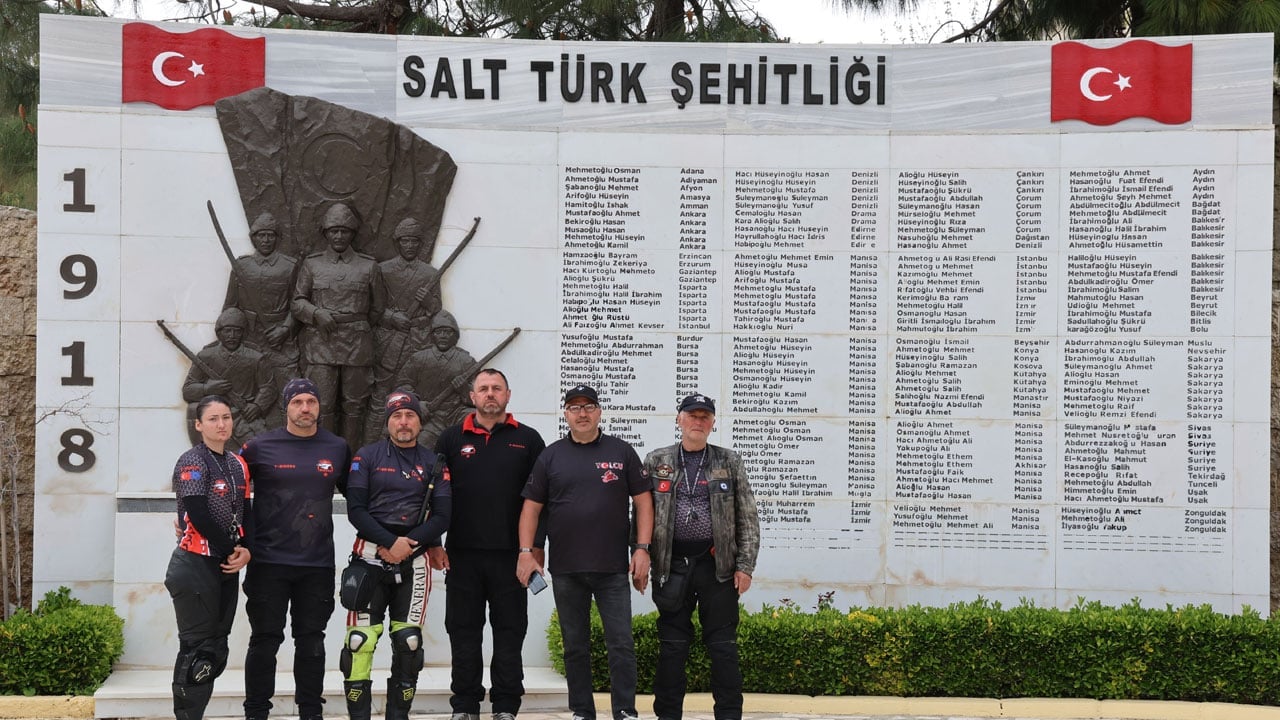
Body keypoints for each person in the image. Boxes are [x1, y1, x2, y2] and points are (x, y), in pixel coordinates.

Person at [516, 385, 653, 720]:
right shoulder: (551, 456)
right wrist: (525, 551)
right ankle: (581, 711)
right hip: (567, 569)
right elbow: (531, 508)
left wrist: (642, 549)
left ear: (599, 412)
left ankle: (625, 711)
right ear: (566, 414)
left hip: (612, 570)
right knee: (575, 646)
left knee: (620, 644)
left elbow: (644, 502)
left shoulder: (622, 452)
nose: (582, 413)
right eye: (574, 408)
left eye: (588, 406)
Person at [432, 369, 546, 720]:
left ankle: (506, 706)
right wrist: (435, 542)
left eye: (497, 388)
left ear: (508, 395)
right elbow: (435, 496)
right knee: (463, 633)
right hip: (462, 556)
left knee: (510, 632)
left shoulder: (528, 440)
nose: (490, 394)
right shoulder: (450, 440)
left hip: (513, 558)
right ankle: (464, 705)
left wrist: (536, 548)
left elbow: (541, 500)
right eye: (484, 389)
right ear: (472, 396)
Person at [240, 378, 353, 720]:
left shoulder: (337, 448)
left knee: (312, 641)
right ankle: (256, 712)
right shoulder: (259, 447)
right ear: (286, 407)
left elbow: (361, 499)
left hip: (316, 564)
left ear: (319, 407)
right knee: (265, 640)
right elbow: (232, 491)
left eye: (311, 402)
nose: (305, 408)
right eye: (297, 402)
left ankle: (310, 711)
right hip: (267, 562)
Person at [642, 394, 760, 720]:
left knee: (723, 647)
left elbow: (747, 517)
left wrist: (745, 565)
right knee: (672, 647)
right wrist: (640, 555)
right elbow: (641, 514)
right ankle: (667, 715)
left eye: (705, 417)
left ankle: (729, 715)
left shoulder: (729, 461)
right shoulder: (656, 460)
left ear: (713, 423)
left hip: (717, 568)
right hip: (671, 567)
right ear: (678, 419)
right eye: (692, 415)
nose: (698, 421)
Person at [342, 390, 452, 720]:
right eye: (396, 416)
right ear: (387, 421)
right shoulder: (367, 456)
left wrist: (409, 543)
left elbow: (443, 516)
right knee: (359, 641)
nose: (403, 422)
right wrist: (390, 542)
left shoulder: (434, 463)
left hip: (415, 558)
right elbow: (356, 510)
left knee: (409, 642)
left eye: (410, 416)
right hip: (370, 557)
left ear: (420, 421)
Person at [165, 395, 252, 720]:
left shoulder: (237, 463)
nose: (221, 424)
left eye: (226, 417)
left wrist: (247, 549)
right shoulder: (192, 461)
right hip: (194, 564)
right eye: (213, 419)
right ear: (199, 425)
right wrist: (233, 550)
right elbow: (198, 514)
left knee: (216, 650)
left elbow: (246, 513)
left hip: (226, 565)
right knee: (197, 653)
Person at [292, 202, 385, 444]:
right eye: (334, 231)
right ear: (325, 233)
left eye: (344, 231)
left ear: (353, 233)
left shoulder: (368, 265)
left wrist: (353, 322)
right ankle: (324, 458)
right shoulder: (312, 264)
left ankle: (351, 462)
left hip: (357, 344)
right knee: (322, 404)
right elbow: (298, 302)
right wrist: (316, 314)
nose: (339, 236)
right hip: (321, 344)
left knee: (355, 407)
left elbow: (377, 308)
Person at [364, 218, 443, 441]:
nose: (409, 245)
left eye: (414, 241)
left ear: (420, 244)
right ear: (398, 243)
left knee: (412, 395)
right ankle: (371, 445)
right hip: (388, 340)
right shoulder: (383, 270)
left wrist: (428, 302)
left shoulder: (429, 274)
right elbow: (372, 306)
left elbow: (438, 310)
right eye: (405, 241)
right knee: (380, 397)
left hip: (417, 340)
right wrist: (391, 317)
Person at [224, 212, 300, 426]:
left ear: (277, 238)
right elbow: (230, 305)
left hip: (280, 340)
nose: (265, 240)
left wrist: (285, 329)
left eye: (270, 235)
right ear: (253, 238)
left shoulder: (290, 265)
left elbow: (298, 304)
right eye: (261, 235)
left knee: (290, 389)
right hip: (249, 336)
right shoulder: (242, 266)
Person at [181, 307, 273, 450]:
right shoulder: (206, 356)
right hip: (215, 413)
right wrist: (208, 389)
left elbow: (268, 387)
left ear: (243, 333)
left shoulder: (255, 358)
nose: (232, 335)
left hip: (244, 415)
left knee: (263, 452)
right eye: (227, 331)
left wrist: (257, 406)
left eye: (237, 331)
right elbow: (188, 390)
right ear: (219, 333)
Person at [396, 310, 476, 449]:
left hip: (456, 415)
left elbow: (478, 398)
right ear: (432, 335)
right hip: (430, 419)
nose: (443, 336)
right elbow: (402, 385)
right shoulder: (419, 358)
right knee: (419, 447)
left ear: (455, 335)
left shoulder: (466, 361)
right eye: (439, 332)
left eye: (448, 332)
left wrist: (464, 390)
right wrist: (416, 403)